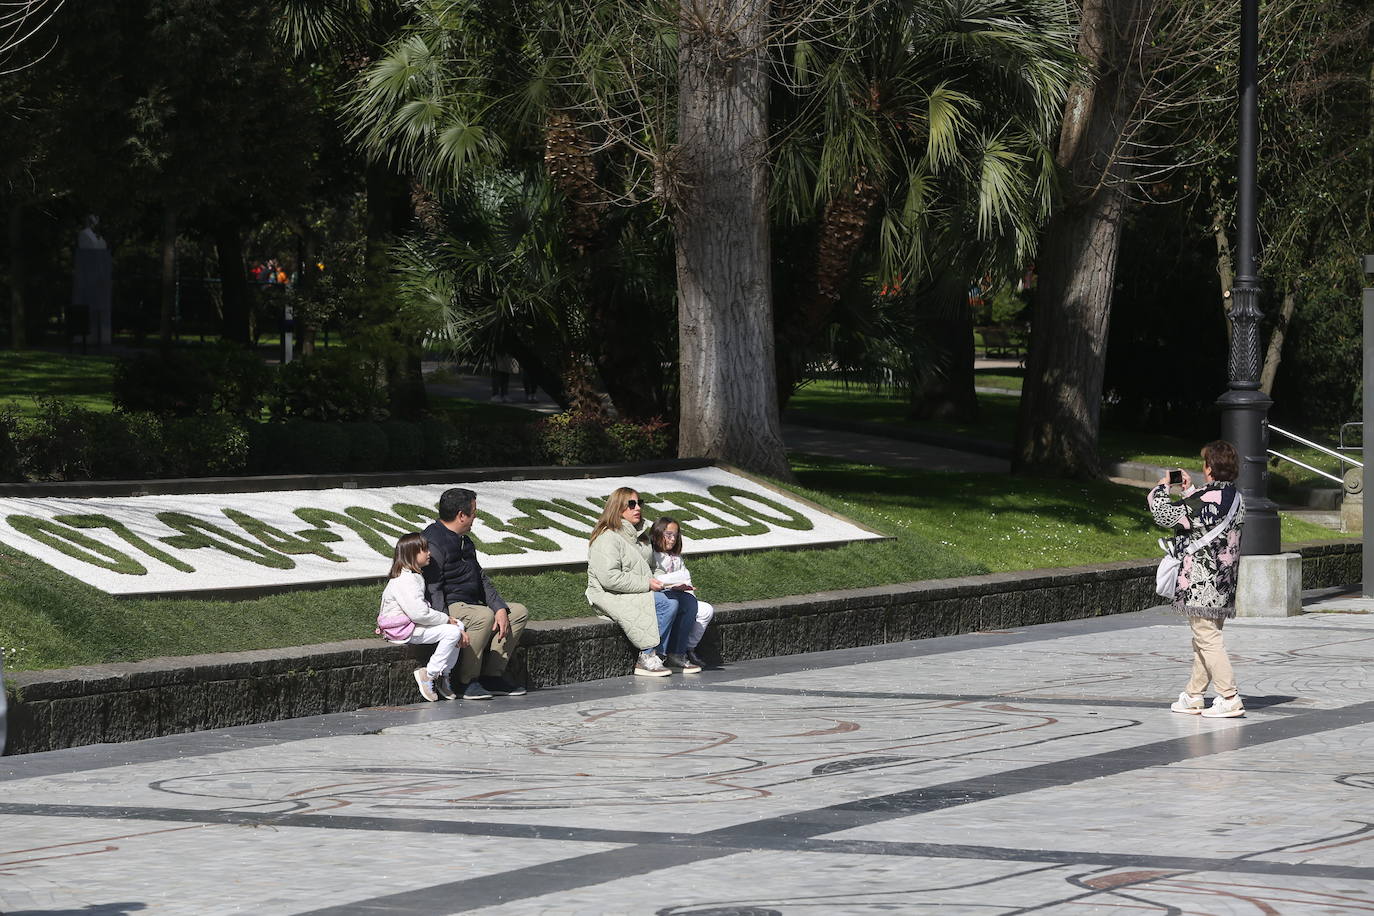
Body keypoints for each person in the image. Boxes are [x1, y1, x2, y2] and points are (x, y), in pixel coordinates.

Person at [1149, 440, 1246, 718]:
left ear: (1210, 468)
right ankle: (1193, 695)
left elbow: (1164, 514)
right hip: (1224, 582)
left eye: (1205, 463)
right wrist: (1189, 490)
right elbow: (1206, 516)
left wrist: (1163, 487)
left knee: (1207, 638)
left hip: (1201, 582)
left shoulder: (1205, 499)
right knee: (1205, 637)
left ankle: (1229, 697)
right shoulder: (1236, 497)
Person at [422, 488, 529, 699]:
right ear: (461, 515)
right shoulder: (433, 541)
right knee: (483, 616)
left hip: (470, 603)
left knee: (517, 612)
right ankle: (466, 681)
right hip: (449, 605)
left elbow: (480, 578)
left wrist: (499, 607)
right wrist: (445, 620)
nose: (475, 518)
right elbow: (432, 588)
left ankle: (492, 676)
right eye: (473, 513)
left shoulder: (465, 541)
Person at [586, 487, 700, 676]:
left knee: (688, 601)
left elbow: (652, 569)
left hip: (638, 589)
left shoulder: (641, 538)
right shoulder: (607, 538)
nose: (637, 507)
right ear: (618, 508)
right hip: (610, 594)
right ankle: (647, 657)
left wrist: (671, 583)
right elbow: (609, 578)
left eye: (639, 503)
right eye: (631, 504)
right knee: (668, 603)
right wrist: (647, 584)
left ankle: (673, 654)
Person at [378, 533, 469, 702]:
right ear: (412, 554)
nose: (429, 553)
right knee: (452, 632)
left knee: (459, 626)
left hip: (411, 625)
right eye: (424, 550)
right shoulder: (404, 580)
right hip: (401, 630)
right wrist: (445, 619)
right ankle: (429, 674)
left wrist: (449, 621)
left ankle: (444, 674)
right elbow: (418, 613)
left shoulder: (413, 576)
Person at [649, 516, 715, 668]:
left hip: (679, 595)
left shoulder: (677, 557)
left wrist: (687, 591)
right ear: (658, 533)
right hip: (661, 596)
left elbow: (685, 578)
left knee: (704, 609)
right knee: (673, 604)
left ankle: (684, 650)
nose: (672, 539)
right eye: (668, 535)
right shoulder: (651, 553)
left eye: (675, 535)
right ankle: (658, 654)